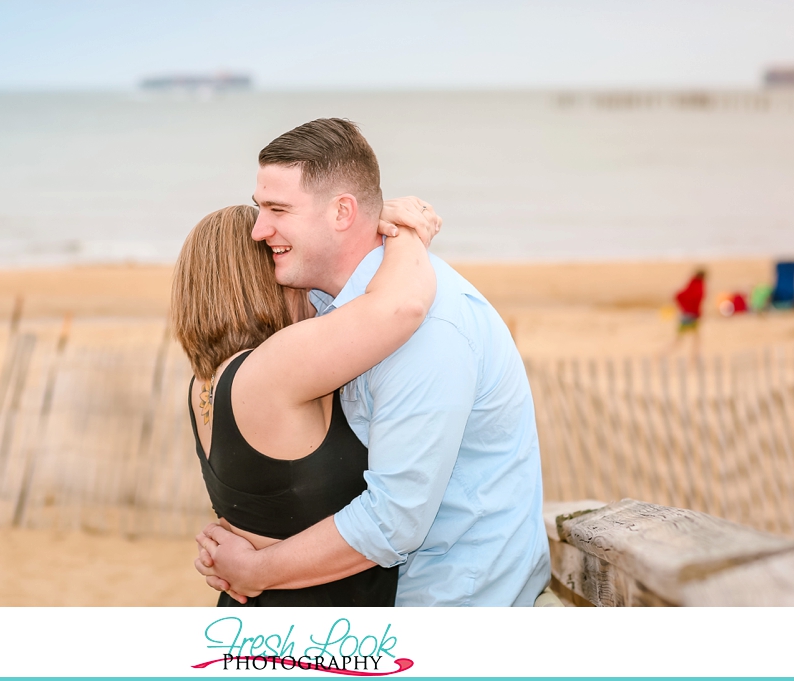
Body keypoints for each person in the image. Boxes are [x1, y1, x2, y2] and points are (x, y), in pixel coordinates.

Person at [195, 118, 551, 607]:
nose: (259, 230)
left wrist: (257, 569)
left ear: (343, 212)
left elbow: (392, 521)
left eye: (278, 209)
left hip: (451, 600)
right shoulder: (332, 309)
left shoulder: (427, 331)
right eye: (261, 209)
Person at [172, 199, 439, 606]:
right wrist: (406, 233)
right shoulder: (273, 368)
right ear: (261, 280)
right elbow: (404, 305)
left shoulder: (204, 383)